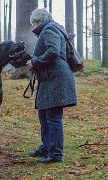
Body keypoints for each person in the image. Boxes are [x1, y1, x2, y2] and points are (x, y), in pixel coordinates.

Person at [26, 8, 77, 163]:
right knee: (44, 114)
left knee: (53, 116)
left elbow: (53, 51)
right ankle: (47, 147)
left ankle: (56, 154)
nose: (33, 26)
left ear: (39, 20)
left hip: (56, 78)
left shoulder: (49, 29)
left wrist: (34, 61)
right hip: (51, 78)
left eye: (34, 23)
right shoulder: (52, 28)